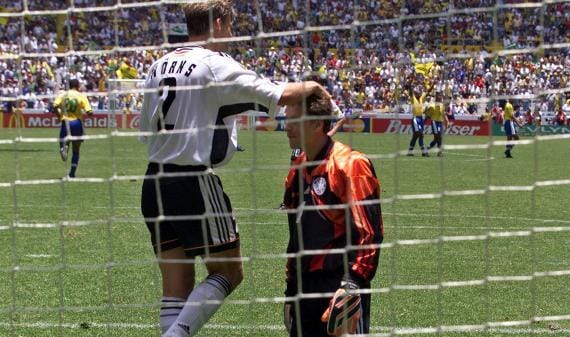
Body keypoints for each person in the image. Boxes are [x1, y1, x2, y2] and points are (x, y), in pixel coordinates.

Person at [138, 2, 331, 337]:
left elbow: (145, 128)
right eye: (229, 25)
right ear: (217, 22)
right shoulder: (214, 63)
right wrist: (315, 87)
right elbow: (279, 94)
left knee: (176, 286)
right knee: (229, 271)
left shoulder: (159, 64)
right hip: (193, 181)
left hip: (153, 181)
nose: (231, 33)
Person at [282, 94, 383, 337]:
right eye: (287, 119)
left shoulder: (351, 164)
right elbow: (295, 238)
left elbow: (369, 232)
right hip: (304, 289)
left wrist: (353, 284)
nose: (287, 126)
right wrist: (290, 290)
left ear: (317, 124)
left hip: (340, 286)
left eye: (295, 120)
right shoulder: (297, 170)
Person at [52, 78, 93, 178]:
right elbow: (89, 112)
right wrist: (90, 113)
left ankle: (63, 147)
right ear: (78, 86)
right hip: (76, 123)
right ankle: (72, 173)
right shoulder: (81, 96)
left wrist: (59, 116)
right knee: (76, 149)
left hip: (65, 122)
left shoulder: (63, 95)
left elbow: (54, 106)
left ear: (69, 86)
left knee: (62, 142)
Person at [407, 85, 429, 157]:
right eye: (417, 92)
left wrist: (433, 84)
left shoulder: (421, 99)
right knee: (420, 134)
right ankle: (424, 151)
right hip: (415, 119)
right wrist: (410, 85)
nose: (419, 93)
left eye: (420, 92)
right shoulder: (413, 98)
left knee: (415, 136)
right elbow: (410, 92)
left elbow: (428, 92)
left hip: (421, 118)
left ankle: (410, 151)